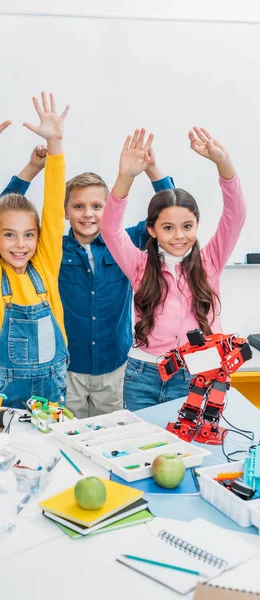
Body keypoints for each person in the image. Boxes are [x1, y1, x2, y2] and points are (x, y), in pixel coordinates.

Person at [0, 148, 174, 418]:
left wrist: (152, 169)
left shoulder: (127, 243)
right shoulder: (51, 248)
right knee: (67, 439)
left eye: (97, 206)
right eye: (78, 206)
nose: (88, 214)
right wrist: (32, 169)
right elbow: (4, 218)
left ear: (110, 210)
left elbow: (171, 212)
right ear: (65, 211)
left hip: (115, 367)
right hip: (67, 370)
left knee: (110, 440)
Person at [101, 127, 246, 411]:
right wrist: (125, 177)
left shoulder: (211, 260)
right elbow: (110, 229)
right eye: (168, 228)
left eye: (187, 226)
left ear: (196, 226)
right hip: (142, 375)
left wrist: (223, 164)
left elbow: (235, 214)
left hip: (197, 375)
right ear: (152, 230)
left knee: (193, 449)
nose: (179, 236)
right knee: (146, 453)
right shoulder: (139, 264)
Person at [0, 90, 69, 408]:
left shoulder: (46, 267)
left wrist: (56, 146)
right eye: (9, 235)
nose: (20, 244)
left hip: (52, 389)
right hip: (3, 391)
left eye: (28, 235)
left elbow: (53, 206)